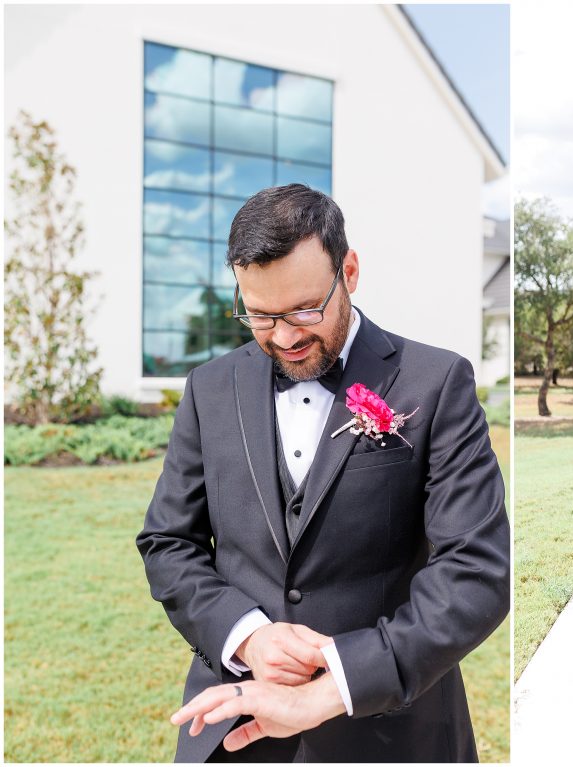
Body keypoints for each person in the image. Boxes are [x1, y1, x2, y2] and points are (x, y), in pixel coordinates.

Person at [137, 184, 510, 762]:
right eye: (260, 315)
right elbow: (168, 542)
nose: (284, 337)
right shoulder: (208, 389)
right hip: (236, 730)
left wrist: (336, 684)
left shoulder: (437, 383)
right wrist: (248, 635)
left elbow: (476, 569)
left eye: (304, 309)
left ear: (350, 271)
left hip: (391, 733)